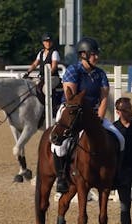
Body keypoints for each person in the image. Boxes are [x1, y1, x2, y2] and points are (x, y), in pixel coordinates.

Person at [51, 37, 125, 193]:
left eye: (96, 54)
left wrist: (98, 118)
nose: (96, 57)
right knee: (59, 146)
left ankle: (117, 175)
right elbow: (71, 97)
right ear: (83, 54)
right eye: (93, 54)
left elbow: (104, 97)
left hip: (93, 113)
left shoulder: (100, 74)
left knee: (120, 138)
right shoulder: (73, 70)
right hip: (70, 111)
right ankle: (61, 177)